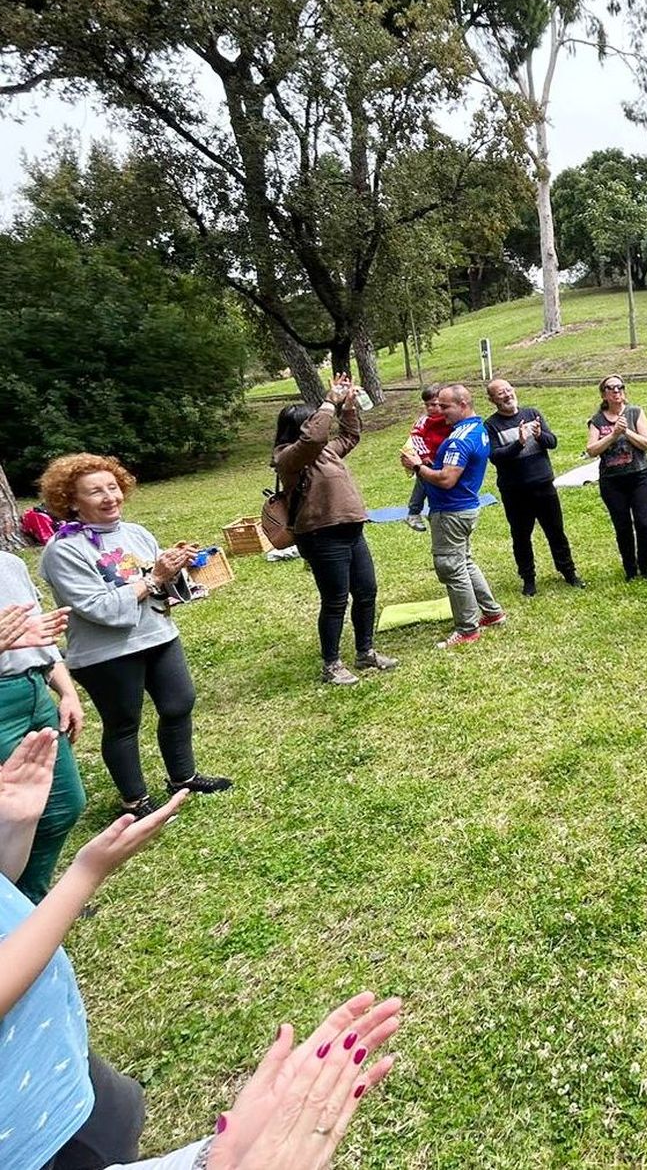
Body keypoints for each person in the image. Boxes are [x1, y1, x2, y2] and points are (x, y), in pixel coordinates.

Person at [0, 735, 402, 1166]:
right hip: (22, 1134)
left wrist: (10, 831)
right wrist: (85, 874)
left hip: (55, 1062)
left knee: (114, 1135)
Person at [38, 454, 232, 819]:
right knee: (123, 723)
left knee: (179, 704)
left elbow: (159, 587)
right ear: (71, 500)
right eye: (95, 492)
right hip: (106, 653)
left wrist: (178, 570)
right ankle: (135, 801)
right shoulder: (63, 550)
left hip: (158, 636)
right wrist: (154, 578)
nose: (109, 497)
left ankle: (183, 778)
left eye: (113, 487)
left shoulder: (136, 532)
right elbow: (100, 608)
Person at [272, 375, 400, 685]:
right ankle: (331, 665)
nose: (321, 425)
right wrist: (329, 402)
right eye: (314, 421)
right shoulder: (288, 458)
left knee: (366, 591)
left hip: (351, 531)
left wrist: (349, 406)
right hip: (321, 536)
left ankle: (365, 652)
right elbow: (313, 439)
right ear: (302, 428)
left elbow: (350, 436)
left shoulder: (325, 452)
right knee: (335, 600)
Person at [400, 383, 507, 648]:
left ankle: (467, 629)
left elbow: (446, 479)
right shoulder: (476, 429)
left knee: (451, 567)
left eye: (445, 406)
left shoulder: (459, 439)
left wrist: (417, 466)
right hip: (465, 507)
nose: (439, 413)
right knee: (465, 562)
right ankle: (492, 613)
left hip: (452, 511)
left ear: (463, 405)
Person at [0, 574, 80, 902]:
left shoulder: (10, 563)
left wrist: (67, 692)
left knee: (64, 804)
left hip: (34, 689)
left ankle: (30, 900)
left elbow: (40, 636)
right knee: (8, 812)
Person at [484, 379, 584, 597]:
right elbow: (495, 457)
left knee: (556, 532)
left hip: (543, 484)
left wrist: (539, 435)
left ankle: (569, 572)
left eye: (509, 390)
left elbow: (553, 442)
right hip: (514, 491)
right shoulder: (490, 425)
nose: (507, 395)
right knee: (521, 536)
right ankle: (528, 579)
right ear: (492, 400)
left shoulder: (532, 413)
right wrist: (519, 443)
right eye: (501, 393)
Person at [586, 375, 647, 581]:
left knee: (644, 523)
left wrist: (626, 431)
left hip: (640, 476)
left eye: (620, 387)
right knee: (622, 525)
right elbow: (592, 450)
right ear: (604, 394)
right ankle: (630, 569)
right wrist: (613, 435)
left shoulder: (635, 412)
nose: (616, 391)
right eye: (611, 388)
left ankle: (645, 568)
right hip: (612, 481)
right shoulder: (597, 420)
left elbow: (646, 443)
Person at [404, 384, 449, 533]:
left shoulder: (449, 418)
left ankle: (437, 512)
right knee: (423, 481)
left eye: (434, 405)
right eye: (427, 405)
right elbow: (415, 437)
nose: (431, 409)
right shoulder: (424, 421)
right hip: (428, 460)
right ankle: (414, 512)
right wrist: (424, 456)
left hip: (446, 459)